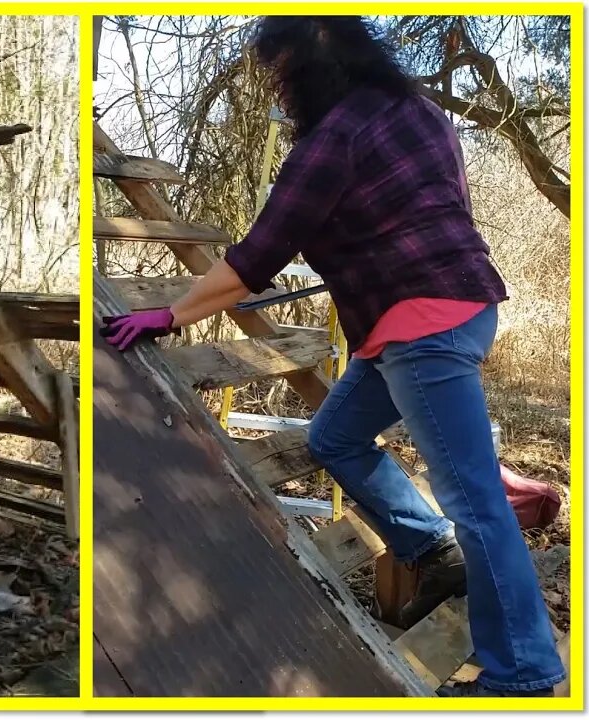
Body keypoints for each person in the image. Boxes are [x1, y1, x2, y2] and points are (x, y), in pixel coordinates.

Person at [100, 16, 563, 698]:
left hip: (422, 328)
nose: (279, 95)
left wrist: (167, 314)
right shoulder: (422, 113)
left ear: (314, 69)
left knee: (478, 505)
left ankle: (523, 670)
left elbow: (255, 259)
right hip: (446, 313)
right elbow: (442, 208)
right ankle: (427, 545)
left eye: (283, 77)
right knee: (335, 437)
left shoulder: (333, 140)